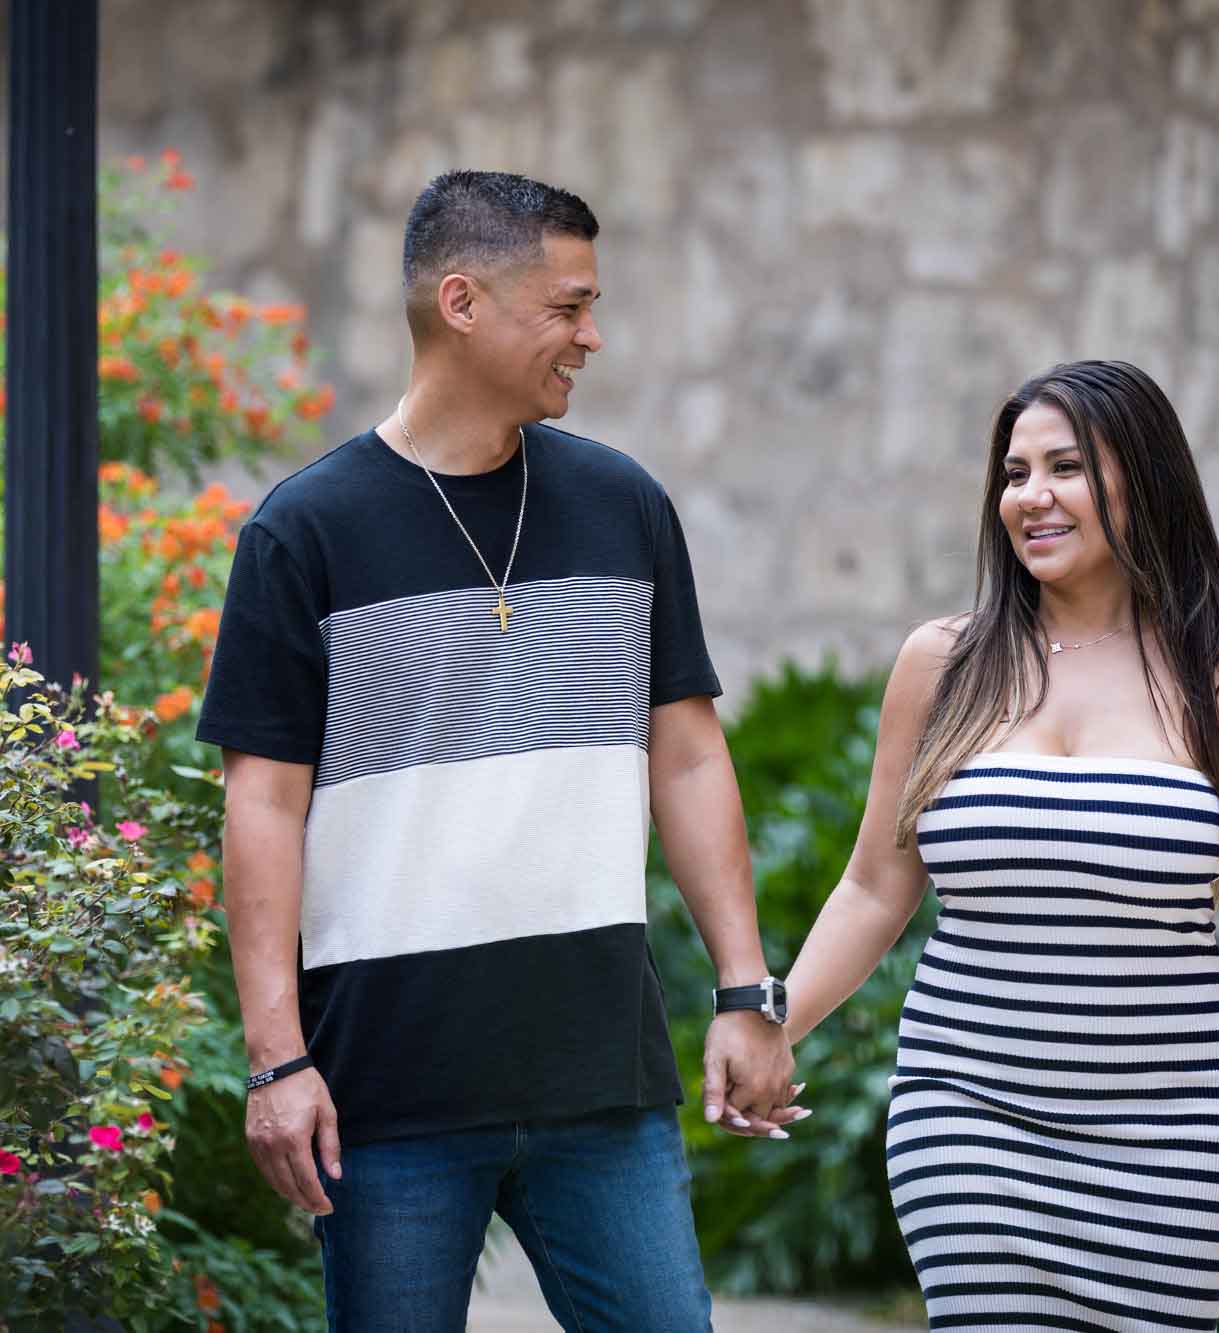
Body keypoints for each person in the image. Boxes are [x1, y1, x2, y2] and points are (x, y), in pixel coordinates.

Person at [193, 170, 798, 1332]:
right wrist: (276, 1061)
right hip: (387, 1089)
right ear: (461, 302)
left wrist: (742, 988)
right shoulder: (302, 532)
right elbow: (262, 805)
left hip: (598, 1082)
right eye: (567, 308)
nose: (591, 336)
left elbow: (685, 755)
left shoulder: (623, 506)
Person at [779, 361, 1219, 1330]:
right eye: (1013, 473)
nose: (1030, 497)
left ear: (1142, 481)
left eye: (1064, 467)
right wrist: (773, 1024)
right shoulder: (944, 663)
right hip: (965, 1113)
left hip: (1171, 1131)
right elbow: (874, 885)